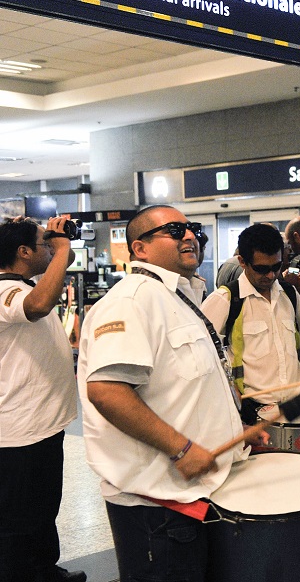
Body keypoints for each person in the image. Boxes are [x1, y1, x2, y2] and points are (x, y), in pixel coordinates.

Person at [77, 205, 258, 581]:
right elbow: (107, 391)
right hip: (154, 506)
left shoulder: (179, 297)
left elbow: (186, 387)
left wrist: (236, 435)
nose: (189, 236)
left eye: (191, 228)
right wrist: (182, 447)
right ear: (140, 249)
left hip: (190, 495)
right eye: (174, 230)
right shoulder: (132, 301)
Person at [0, 216, 85, 582]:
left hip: (42, 428)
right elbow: (38, 305)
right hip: (19, 434)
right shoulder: (7, 292)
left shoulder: (24, 285)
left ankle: (44, 571)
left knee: (41, 510)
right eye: (44, 242)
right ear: (23, 252)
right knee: (19, 520)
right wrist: (65, 249)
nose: (50, 247)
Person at [201, 224, 300, 423]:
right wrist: (228, 391)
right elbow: (201, 353)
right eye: (262, 269)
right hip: (252, 407)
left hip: (294, 403)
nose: (271, 275)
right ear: (242, 262)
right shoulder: (225, 299)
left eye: (276, 267)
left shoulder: (289, 294)